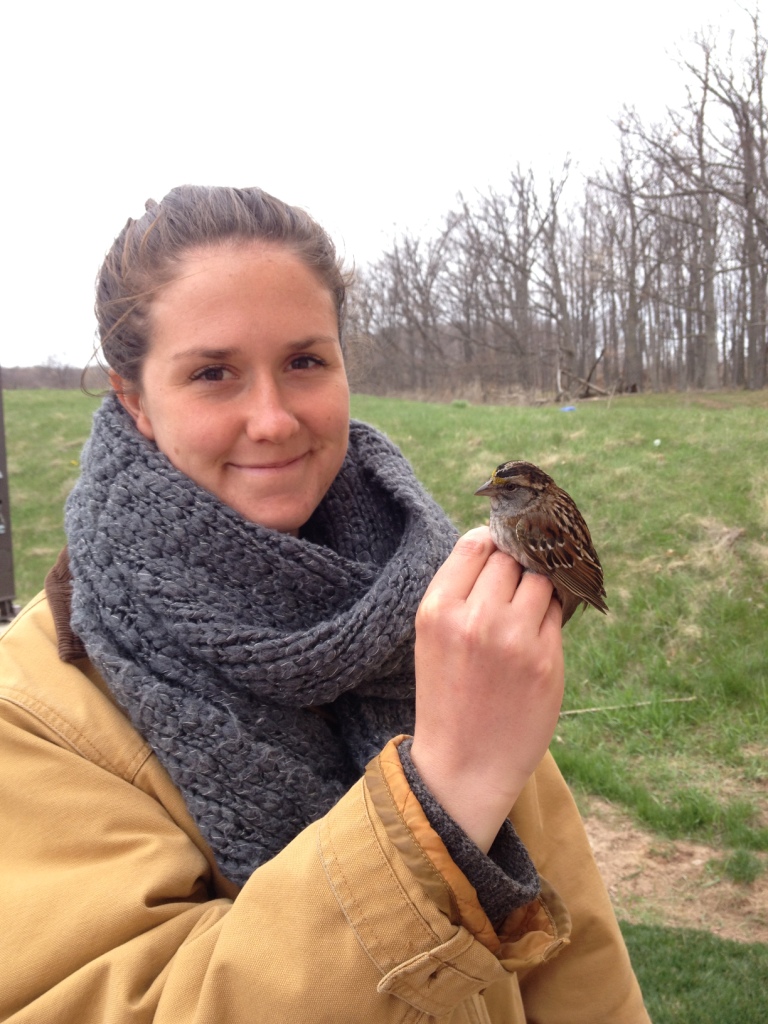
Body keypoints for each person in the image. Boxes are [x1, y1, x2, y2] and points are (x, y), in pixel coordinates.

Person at [0, 185, 649, 1023]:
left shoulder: (439, 618)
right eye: (212, 373)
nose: (272, 420)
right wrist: (440, 797)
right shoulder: (33, 707)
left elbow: (572, 949)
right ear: (135, 401)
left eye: (305, 361)